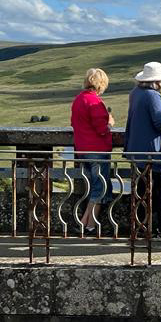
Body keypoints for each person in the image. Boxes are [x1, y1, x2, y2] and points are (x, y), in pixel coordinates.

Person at [124, 61, 161, 239]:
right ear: (157, 81)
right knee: (158, 193)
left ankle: (141, 228)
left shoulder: (135, 93)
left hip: (136, 151)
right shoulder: (153, 96)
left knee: (141, 192)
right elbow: (160, 124)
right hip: (152, 153)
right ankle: (159, 230)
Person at [70, 67, 114, 235]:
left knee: (95, 187)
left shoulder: (78, 99)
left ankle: (84, 223)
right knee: (99, 187)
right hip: (97, 150)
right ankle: (90, 226)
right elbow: (101, 129)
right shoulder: (94, 101)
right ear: (101, 84)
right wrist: (110, 122)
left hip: (82, 149)